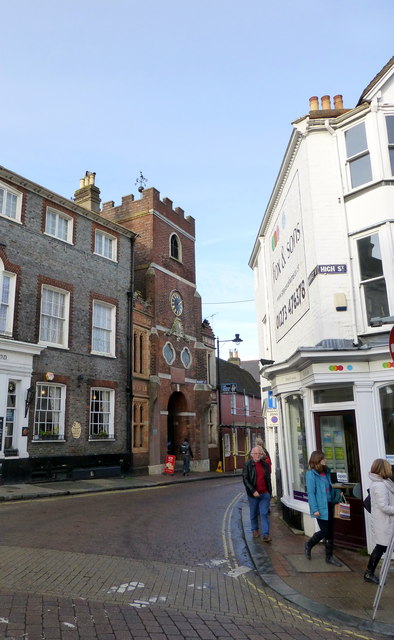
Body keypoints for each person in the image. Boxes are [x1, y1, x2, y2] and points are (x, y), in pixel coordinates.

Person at [304, 450, 342, 566]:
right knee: (325, 530)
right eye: (323, 458)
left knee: (330, 531)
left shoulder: (327, 472)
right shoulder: (311, 474)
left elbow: (330, 489)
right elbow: (311, 493)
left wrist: (338, 495)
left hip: (330, 505)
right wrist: (314, 509)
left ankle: (329, 557)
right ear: (317, 460)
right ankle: (309, 544)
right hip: (320, 507)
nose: (325, 460)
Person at [363, 458, 394, 584]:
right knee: (381, 546)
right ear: (383, 469)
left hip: (386, 522)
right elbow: (384, 507)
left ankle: (369, 572)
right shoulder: (379, 485)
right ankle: (369, 573)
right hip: (384, 522)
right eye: (389, 467)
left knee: (381, 547)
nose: (391, 469)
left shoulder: (384, 483)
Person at [242, 446, 272, 541]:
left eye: (259, 453)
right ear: (252, 455)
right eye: (255, 453)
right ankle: (254, 529)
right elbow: (245, 480)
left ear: (262, 454)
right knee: (254, 513)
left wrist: (269, 492)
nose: (257, 455)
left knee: (264, 514)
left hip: (264, 494)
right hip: (253, 495)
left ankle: (266, 534)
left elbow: (268, 480)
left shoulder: (265, 465)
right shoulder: (247, 465)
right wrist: (253, 490)